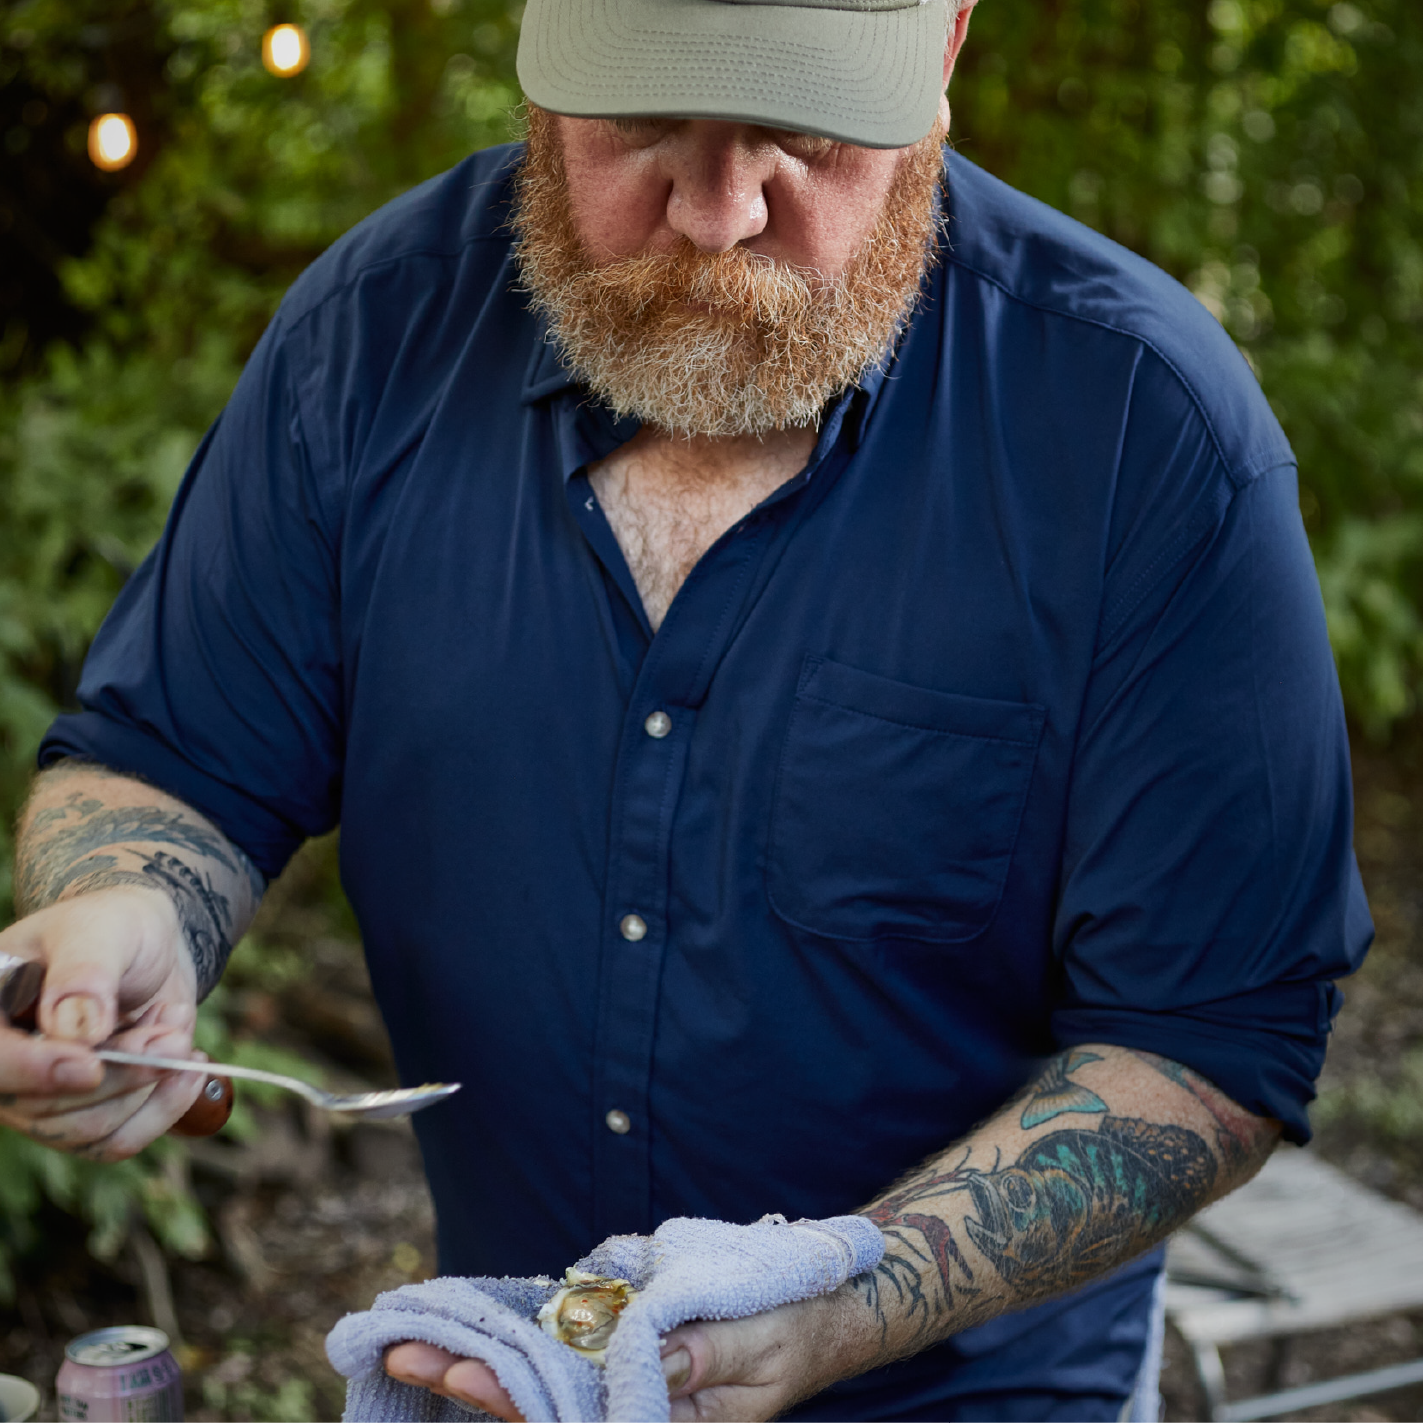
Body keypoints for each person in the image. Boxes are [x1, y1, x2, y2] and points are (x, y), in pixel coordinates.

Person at [0, 0, 1373, 1418]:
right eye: (644, 127)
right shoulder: (373, 338)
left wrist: (843, 1295)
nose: (717, 213)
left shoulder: (1143, 431)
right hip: (497, 1370)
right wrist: (124, 911)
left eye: (802, 132)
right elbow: (174, 758)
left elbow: (1211, 1041)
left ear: (945, 50)